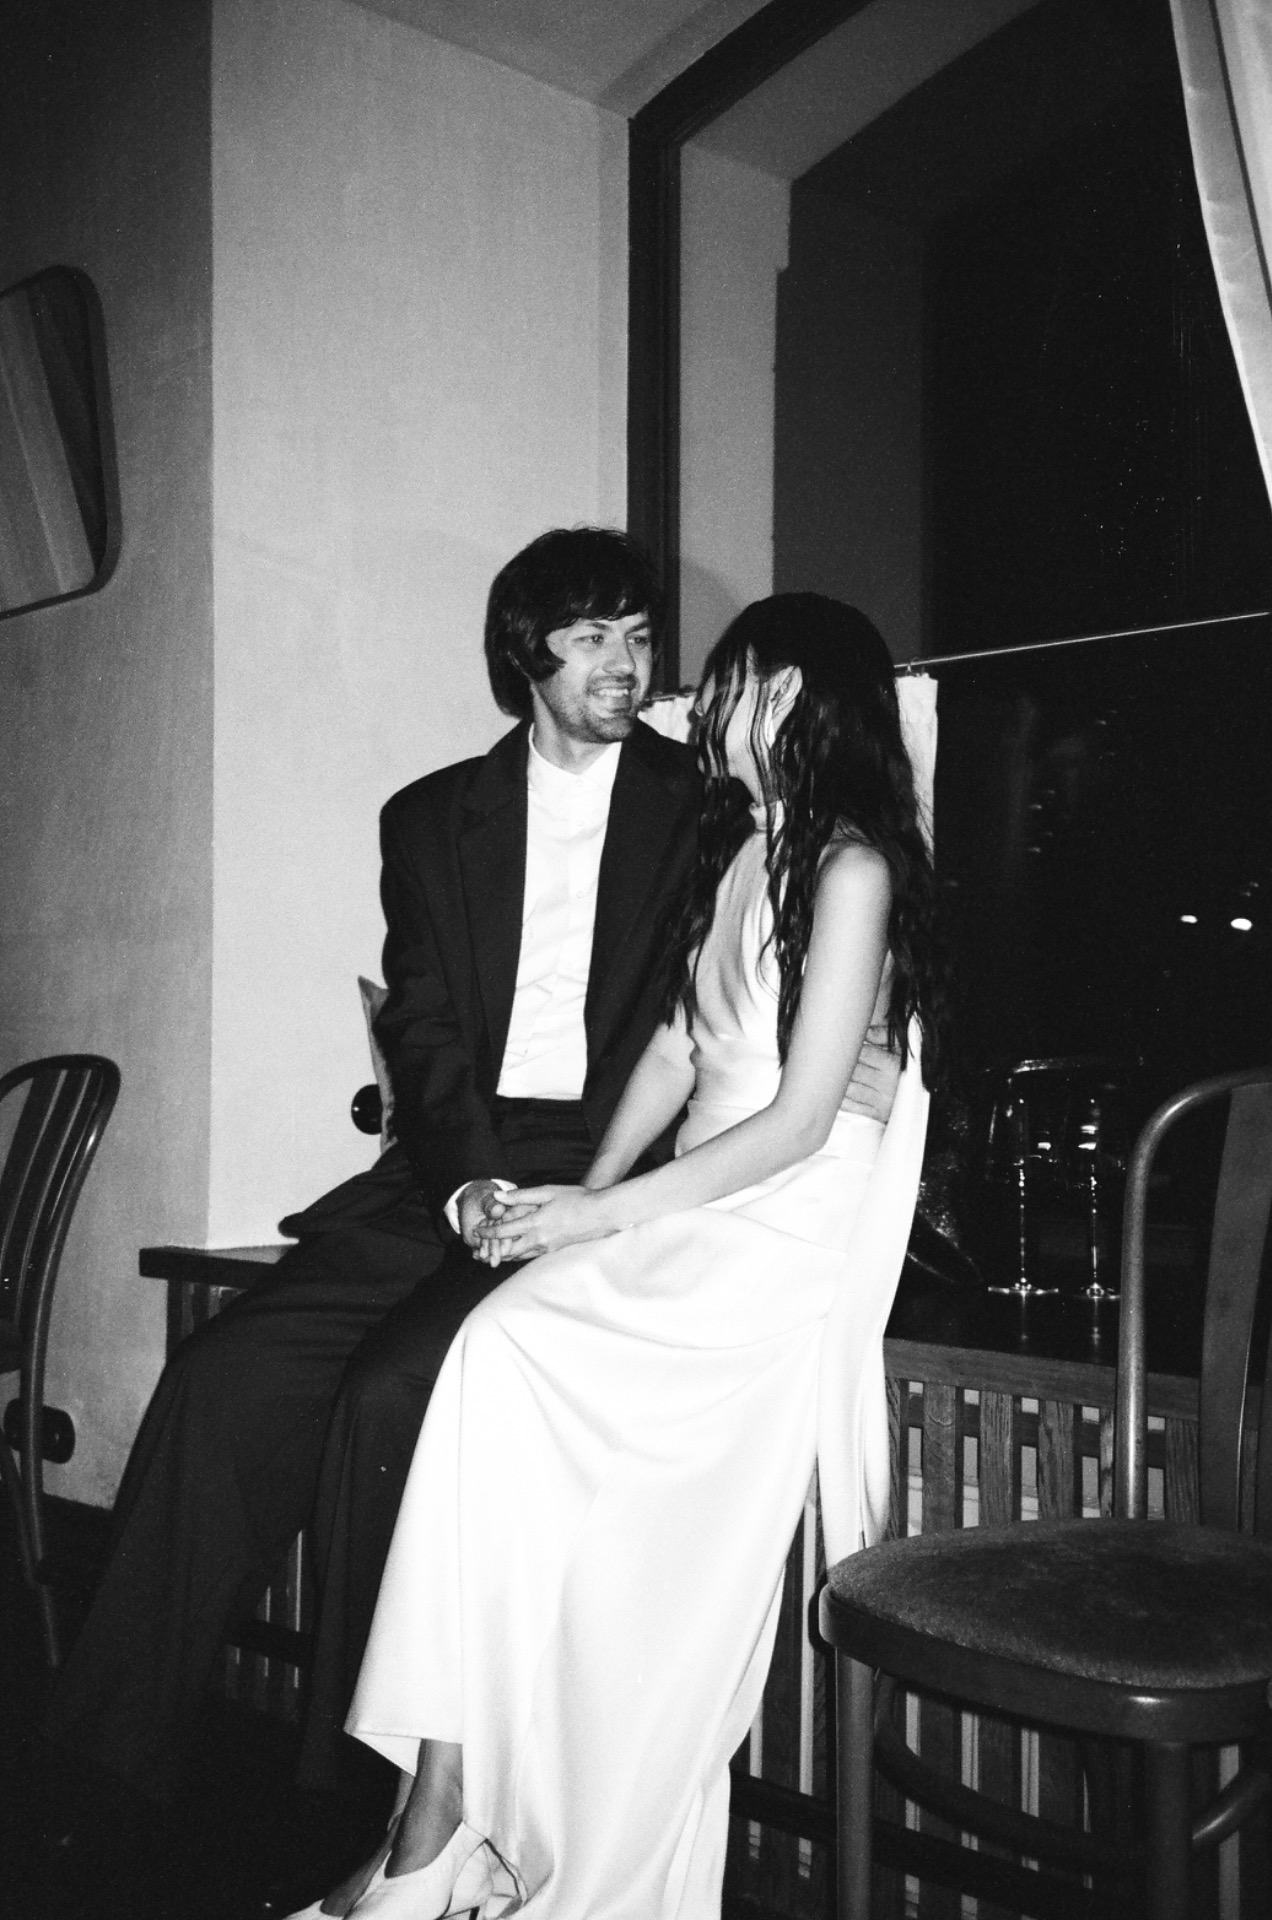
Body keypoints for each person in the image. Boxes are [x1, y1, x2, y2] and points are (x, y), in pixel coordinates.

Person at [290, 593, 941, 1920]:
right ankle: (438, 1816)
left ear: (789, 694)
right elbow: (676, 1048)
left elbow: (799, 1121)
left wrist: (598, 1222)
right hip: (692, 1206)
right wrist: (574, 1205)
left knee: (504, 1361)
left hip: (776, 1224)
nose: (694, 706)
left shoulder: (854, 869)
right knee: (493, 1353)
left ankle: (442, 1835)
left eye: (726, 683)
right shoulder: (745, 846)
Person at [44, 529, 701, 1836]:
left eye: (637, 636)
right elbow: (424, 1025)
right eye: (589, 638)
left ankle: (359, 1798)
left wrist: (589, 1195)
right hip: (450, 1170)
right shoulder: (430, 819)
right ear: (525, 655)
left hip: (613, 1175)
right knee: (224, 1379)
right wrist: (463, 1187)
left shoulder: (704, 806)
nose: (623, 665)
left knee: (397, 1390)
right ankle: (101, 1761)